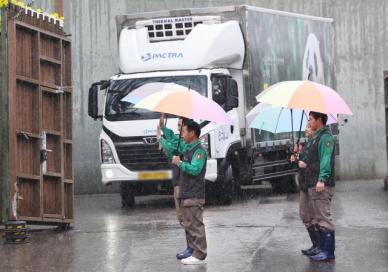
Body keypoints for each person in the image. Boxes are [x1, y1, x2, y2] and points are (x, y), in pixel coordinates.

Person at [298, 111, 336, 261]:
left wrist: (322, 179)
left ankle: (328, 252)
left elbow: (325, 160)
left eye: (311, 119)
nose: (309, 122)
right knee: (315, 217)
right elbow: (311, 160)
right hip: (312, 182)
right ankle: (320, 247)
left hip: (320, 184)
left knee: (323, 218)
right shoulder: (316, 138)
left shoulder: (326, 138)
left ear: (319, 120)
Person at [171, 120, 207, 265]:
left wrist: (179, 163)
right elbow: (174, 142)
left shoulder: (199, 151)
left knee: (195, 224)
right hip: (187, 192)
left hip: (194, 193)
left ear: (192, 133)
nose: (182, 134)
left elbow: (195, 169)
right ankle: (193, 251)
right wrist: (163, 130)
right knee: (189, 224)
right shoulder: (187, 147)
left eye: (184, 132)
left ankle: (200, 254)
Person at [156, 115, 192, 260]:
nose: (178, 128)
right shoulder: (180, 139)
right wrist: (163, 127)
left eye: (180, 126)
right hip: (178, 185)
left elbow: (171, 145)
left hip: (183, 186)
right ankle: (190, 247)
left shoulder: (185, 144)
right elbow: (172, 137)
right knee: (182, 218)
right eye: (177, 125)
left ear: (188, 129)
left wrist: (160, 138)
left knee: (187, 218)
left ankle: (192, 248)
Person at [291, 125, 320, 257]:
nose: (306, 129)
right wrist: (295, 157)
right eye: (306, 127)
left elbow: (318, 163)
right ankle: (315, 244)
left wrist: (305, 163)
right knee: (304, 214)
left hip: (312, 183)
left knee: (314, 216)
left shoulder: (317, 144)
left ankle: (319, 246)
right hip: (304, 184)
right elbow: (301, 163)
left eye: (309, 127)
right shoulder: (306, 144)